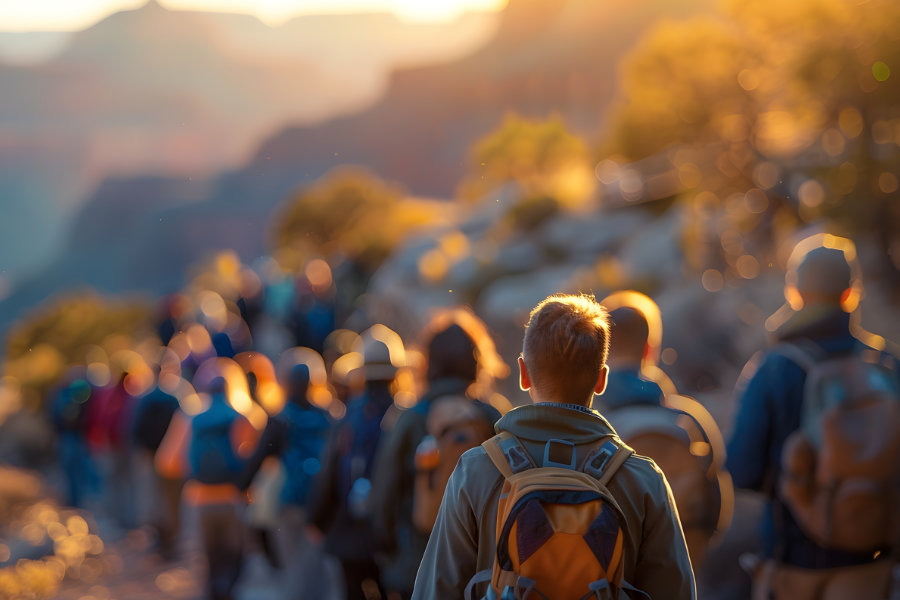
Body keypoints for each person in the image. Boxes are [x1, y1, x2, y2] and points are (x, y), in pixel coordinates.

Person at [412, 293, 695, 600]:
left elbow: (434, 591)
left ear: (523, 374)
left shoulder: (475, 470)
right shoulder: (645, 480)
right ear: (601, 379)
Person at [726, 234, 899, 599]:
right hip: (872, 559)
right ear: (851, 293)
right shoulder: (886, 364)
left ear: (795, 292)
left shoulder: (775, 366)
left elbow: (742, 470)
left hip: (793, 559)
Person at [370, 309, 508, 600]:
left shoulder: (409, 419)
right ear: (476, 361)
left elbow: (385, 492)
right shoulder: (492, 418)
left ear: (428, 361)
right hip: (479, 569)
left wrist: (389, 554)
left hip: (416, 566)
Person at [596, 298, 732, 571]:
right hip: (682, 551)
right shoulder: (688, 417)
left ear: (600, 349)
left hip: (612, 558)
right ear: (650, 348)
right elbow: (716, 491)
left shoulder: (589, 418)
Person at [308, 324, 407, 600]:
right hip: (391, 535)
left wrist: (317, 519)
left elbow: (329, 471)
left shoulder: (349, 417)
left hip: (348, 532)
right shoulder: (405, 417)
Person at [238, 362, 332, 596]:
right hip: (320, 501)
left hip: (289, 499)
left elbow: (260, 456)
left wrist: (242, 487)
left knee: (292, 567)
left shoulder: (281, 419)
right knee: (315, 569)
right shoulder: (327, 417)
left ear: (287, 384)